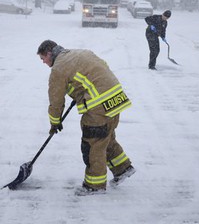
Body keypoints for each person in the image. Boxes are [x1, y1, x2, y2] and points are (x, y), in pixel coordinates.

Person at [37, 40, 136, 195]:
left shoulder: (58, 69)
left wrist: (55, 122)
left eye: (43, 58)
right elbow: (98, 71)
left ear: (49, 53)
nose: (43, 62)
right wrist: (80, 92)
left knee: (93, 145)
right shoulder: (82, 53)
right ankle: (122, 168)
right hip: (116, 99)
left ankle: (94, 186)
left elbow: (56, 100)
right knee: (105, 137)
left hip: (98, 105)